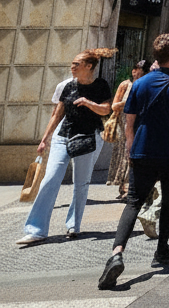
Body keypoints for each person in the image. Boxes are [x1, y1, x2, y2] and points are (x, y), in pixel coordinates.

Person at [98, 34, 169, 289]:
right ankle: (162, 249)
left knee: (133, 203)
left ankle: (116, 252)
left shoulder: (139, 84)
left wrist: (131, 149)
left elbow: (129, 122)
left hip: (141, 150)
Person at [18, 50, 112, 245]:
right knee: (49, 179)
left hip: (87, 138)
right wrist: (45, 138)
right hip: (64, 136)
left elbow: (106, 110)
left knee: (81, 183)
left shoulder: (101, 85)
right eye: (72, 63)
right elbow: (57, 114)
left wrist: (88, 103)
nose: (72, 66)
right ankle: (36, 229)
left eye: (77, 63)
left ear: (89, 67)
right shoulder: (67, 86)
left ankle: (73, 225)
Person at [107, 60, 147, 200]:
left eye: (141, 72)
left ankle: (128, 187)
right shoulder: (125, 85)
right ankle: (123, 186)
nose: (137, 74)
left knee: (131, 155)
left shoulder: (145, 85)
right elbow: (114, 105)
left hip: (139, 123)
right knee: (122, 155)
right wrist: (129, 101)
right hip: (123, 123)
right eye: (136, 70)